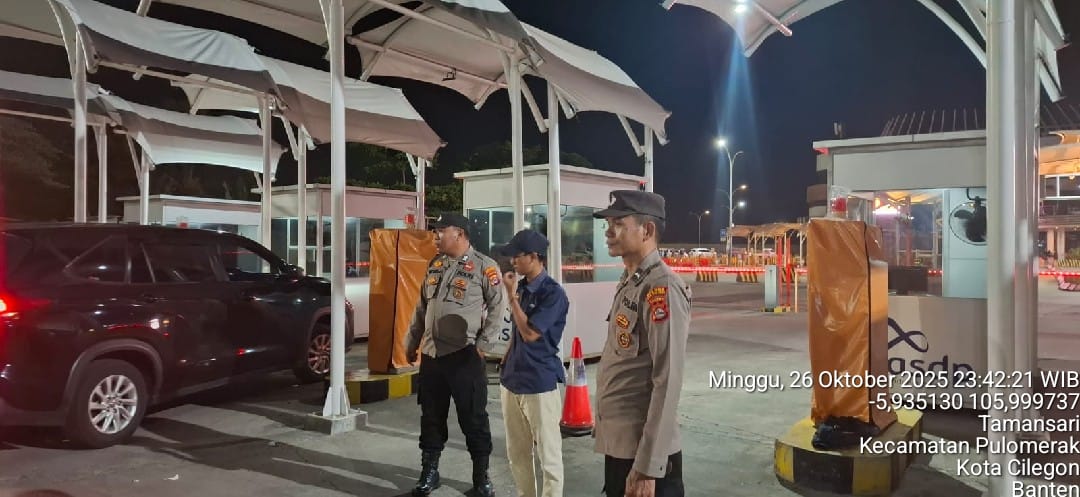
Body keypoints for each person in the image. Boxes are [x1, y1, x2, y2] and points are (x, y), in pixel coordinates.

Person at [591, 190, 692, 497]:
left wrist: (649, 466)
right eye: (608, 224)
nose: (608, 231)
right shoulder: (631, 280)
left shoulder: (662, 287)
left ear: (647, 230)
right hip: (621, 447)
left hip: (645, 456)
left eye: (619, 223)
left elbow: (667, 380)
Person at [405, 213, 506, 497]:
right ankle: (430, 472)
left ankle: (481, 477)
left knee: (473, 418)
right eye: (435, 231)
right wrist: (412, 341)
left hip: (464, 356)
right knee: (431, 416)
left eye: (441, 230)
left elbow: (498, 306)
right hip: (432, 355)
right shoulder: (435, 264)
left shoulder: (485, 266)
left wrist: (484, 343)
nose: (435, 236)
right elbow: (421, 307)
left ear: (459, 233)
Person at [497, 229, 569, 497]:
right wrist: (506, 359)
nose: (513, 261)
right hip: (512, 381)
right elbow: (517, 333)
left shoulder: (553, 293)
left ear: (535, 256)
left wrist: (511, 296)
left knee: (549, 457)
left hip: (539, 383)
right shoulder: (523, 287)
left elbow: (529, 333)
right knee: (517, 454)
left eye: (518, 256)